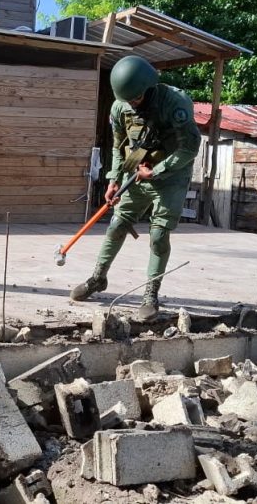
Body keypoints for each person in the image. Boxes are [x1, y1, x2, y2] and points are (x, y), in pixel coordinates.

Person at [70, 55, 201, 321]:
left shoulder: (176, 103)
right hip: (138, 170)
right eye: (127, 100)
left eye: (137, 99)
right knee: (117, 223)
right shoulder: (121, 107)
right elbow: (120, 146)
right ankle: (98, 279)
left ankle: (150, 295)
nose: (132, 104)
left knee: (158, 234)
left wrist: (158, 170)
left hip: (171, 174)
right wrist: (114, 179)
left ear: (150, 88)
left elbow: (190, 148)